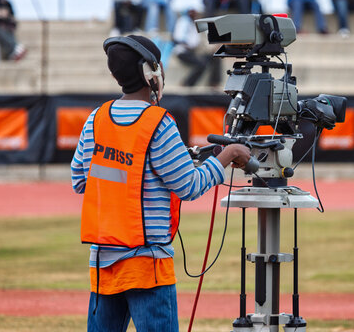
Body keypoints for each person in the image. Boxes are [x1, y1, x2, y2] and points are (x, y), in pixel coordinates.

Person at [71, 34, 251, 332]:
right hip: (147, 265)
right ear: (150, 72)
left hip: (103, 262)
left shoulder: (96, 119)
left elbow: (81, 181)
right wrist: (228, 155)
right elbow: (189, 186)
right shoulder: (159, 122)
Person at [172, 8, 221, 86]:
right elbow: (178, 39)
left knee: (215, 57)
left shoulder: (198, 23)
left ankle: (214, 83)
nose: (194, 14)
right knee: (201, 64)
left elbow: (206, 38)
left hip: (195, 51)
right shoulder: (183, 21)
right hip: (183, 51)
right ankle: (187, 83)